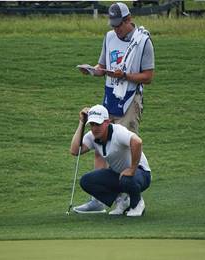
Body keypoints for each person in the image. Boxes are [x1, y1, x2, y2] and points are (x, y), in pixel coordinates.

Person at [76, 2, 155, 213]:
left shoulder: (143, 41)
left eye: (119, 25)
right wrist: (93, 70)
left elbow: (148, 76)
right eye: (113, 25)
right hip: (110, 96)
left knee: (124, 146)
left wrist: (126, 76)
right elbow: (103, 67)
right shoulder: (109, 37)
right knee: (100, 145)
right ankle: (99, 200)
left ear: (128, 20)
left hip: (130, 98)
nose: (116, 30)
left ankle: (131, 197)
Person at [70, 104, 151, 216]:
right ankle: (122, 201)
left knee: (127, 179)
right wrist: (81, 123)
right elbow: (75, 150)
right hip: (119, 175)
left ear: (107, 122)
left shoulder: (118, 132)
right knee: (86, 181)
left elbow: (137, 142)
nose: (94, 128)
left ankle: (137, 204)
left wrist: (132, 169)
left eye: (97, 124)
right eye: (92, 124)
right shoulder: (92, 136)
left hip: (141, 174)